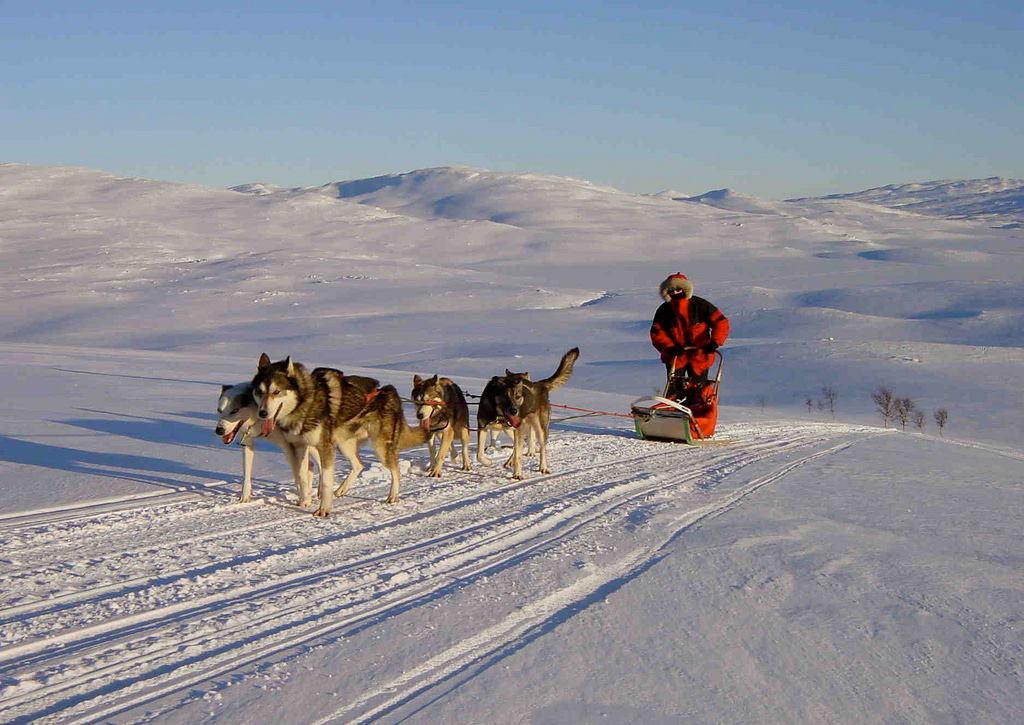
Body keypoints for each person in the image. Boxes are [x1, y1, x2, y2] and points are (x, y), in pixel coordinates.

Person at [650, 272, 730, 384]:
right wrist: (669, 347)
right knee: (675, 389)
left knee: (699, 388)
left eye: (678, 289)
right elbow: (657, 333)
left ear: (685, 289)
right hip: (676, 357)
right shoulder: (664, 310)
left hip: (700, 355)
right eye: (671, 291)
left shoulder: (700, 305)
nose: (675, 293)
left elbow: (721, 322)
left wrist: (715, 342)